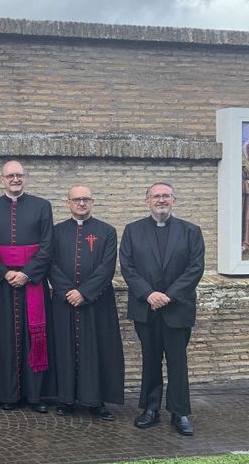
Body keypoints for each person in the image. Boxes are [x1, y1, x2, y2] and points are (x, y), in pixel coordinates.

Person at [120, 182, 204, 436]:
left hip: (177, 308)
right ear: (147, 200)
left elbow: (195, 268)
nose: (161, 200)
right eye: (156, 196)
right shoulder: (132, 231)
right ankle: (150, 408)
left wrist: (168, 296)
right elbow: (127, 267)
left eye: (166, 196)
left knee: (178, 362)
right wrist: (148, 294)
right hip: (146, 308)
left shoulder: (191, 231)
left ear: (174, 200)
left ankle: (180, 413)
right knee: (150, 359)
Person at [0, 160, 56, 413]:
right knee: (4, 338)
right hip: (2, 285)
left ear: (25, 178)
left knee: (36, 336)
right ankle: (6, 395)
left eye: (19, 175)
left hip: (33, 283)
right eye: (10, 175)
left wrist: (27, 273)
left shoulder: (42, 206)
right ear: (2, 179)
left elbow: (47, 247)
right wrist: (4, 273)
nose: (15, 179)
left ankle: (36, 395)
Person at [48, 185, 124, 420]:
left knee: (98, 350)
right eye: (76, 199)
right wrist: (68, 291)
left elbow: (107, 267)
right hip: (64, 301)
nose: (81, 203)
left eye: (86, 199)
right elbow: (49, 263)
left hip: (97, 302)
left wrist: (84, 293)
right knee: (64, 348)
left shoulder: (107, 231)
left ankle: (96, 402)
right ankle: (66, 399)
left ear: (93, 202)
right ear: (67, 203)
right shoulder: (55, 232)